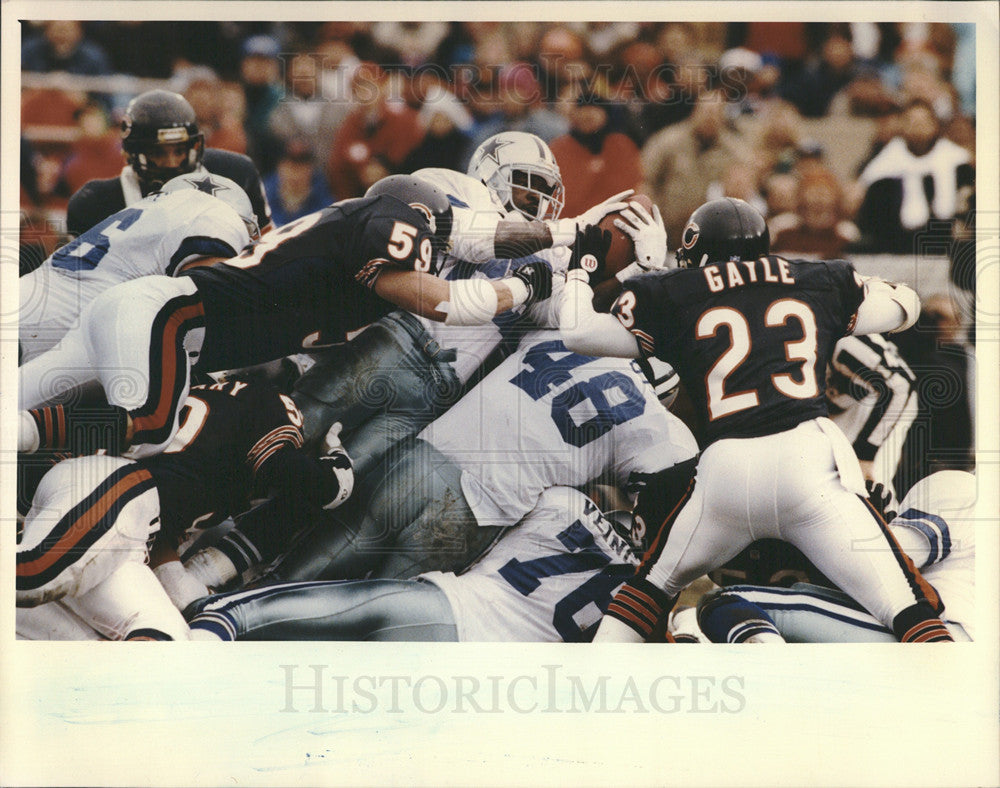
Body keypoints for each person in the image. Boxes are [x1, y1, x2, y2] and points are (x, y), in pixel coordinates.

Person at [558, 197, 953, 643]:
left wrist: (580, 270)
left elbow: (577, 332)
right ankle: (944, 691)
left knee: (647, 591)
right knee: (907, 609)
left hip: (726, 470)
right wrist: (872, 290)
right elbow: (907, 307)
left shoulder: (671, 290)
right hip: (810, 462)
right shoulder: (819, 277)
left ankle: (598, 688)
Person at [19, 176, 553, 460]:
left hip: (141, 311)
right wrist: (525, 285)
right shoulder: (386, 223)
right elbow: (449, 303)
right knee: (153, 428)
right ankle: (22, 435)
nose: (431, 248)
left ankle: (20, 434)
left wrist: (568, 233)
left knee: (20, 396)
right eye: (430, 233)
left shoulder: (339, 263)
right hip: (168, 317)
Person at [190, 328, 695, 586]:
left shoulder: (561, 338)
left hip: (421, 457)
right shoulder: (653, 424)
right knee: (368, 621)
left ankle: (218, 629)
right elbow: (653, 511)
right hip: (475, 507)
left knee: (301, 577)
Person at [16, 379, 355, 641]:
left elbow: (165, 523)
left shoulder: (205, 410)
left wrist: (179, 583)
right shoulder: (271, 402)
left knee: (165, 637)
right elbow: (285, 470)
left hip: (126, 524)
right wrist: (336, 469)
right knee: (31, 576)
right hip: (121, 489)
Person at [185, 487, 640, 642]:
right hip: (481, 686)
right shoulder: (643, 591)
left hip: (443, 609)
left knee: (240, 616)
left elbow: (476, 540)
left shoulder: (566, 502)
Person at [696, 470, 976, 642]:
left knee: (725, 602)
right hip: (975, 653)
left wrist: (842, 530)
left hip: (941, 636)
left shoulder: (962, 486)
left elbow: (886, 559)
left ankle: (773, 681)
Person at [19, 172, 257, 365]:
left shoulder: (140, 218)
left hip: (28, 309)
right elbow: (209, 314)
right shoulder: (210, 220)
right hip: (42, 338)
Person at [65, 89, 272, 237]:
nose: (172, 163)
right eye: (158, 153)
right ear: (131, 154)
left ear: (195, 145)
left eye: (180, 151)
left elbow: (264, 244)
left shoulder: (234, 174)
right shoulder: (96, 202)